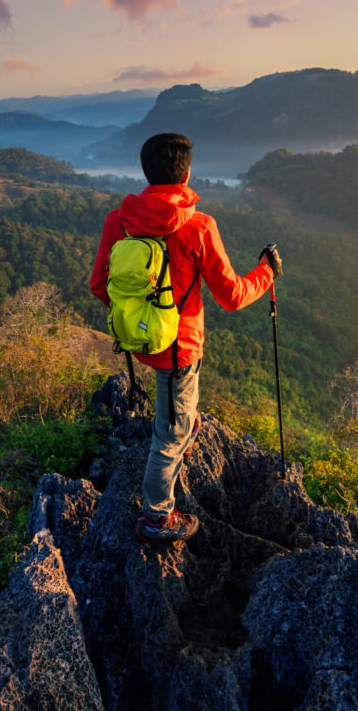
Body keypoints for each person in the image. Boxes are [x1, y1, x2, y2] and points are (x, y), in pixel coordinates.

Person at [90, 133, 281, 543]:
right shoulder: (199, 226)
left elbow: (99, 284)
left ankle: (184, 424)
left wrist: (139, 315)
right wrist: (265, 273)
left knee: (177, 411)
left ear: (146, 172)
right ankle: (157, 518)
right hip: (180, 348)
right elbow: (230, 296)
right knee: (167, 437)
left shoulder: (119, 221)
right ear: (187, 173)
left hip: (142, 341)